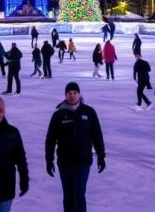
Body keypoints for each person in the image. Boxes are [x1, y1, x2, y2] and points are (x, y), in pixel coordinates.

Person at [45, 82, 106, 212]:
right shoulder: (59, 114)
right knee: (68, 194)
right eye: (69, 93)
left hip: (83, 160)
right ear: (65, 95)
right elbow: (50, 139)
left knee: (79, 193)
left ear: (79, 94)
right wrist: (49, 160)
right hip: (65, 160)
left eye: (74, 93)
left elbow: (97, 135)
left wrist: (101, 156)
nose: (72, 96)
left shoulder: (89, 112)